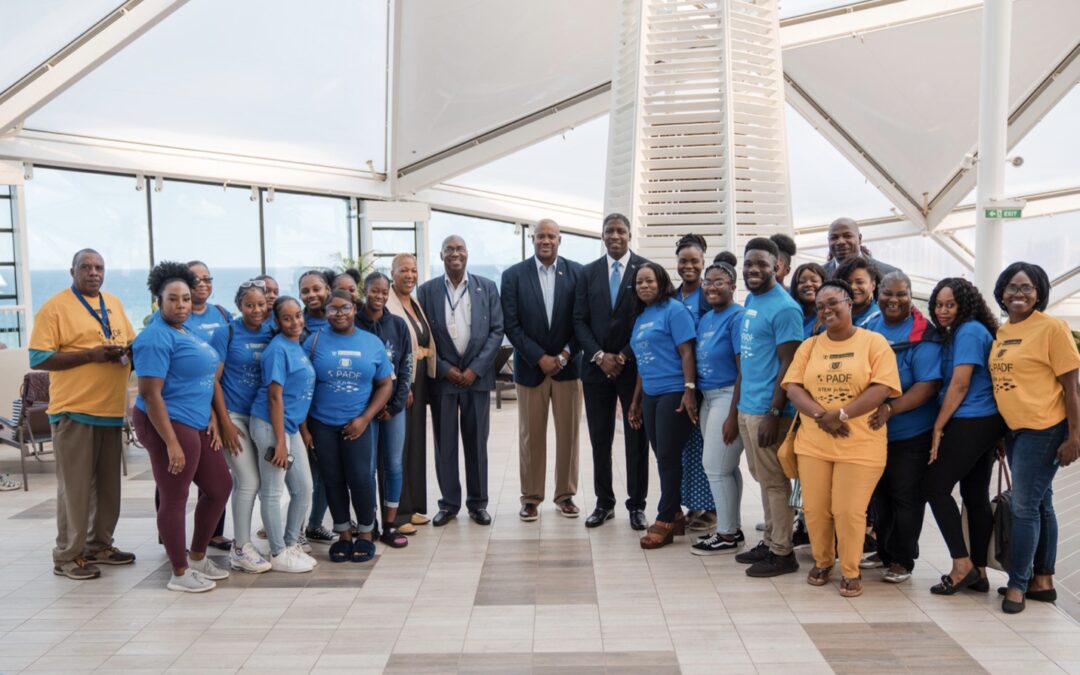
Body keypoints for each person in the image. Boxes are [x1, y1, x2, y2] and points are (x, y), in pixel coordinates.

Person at [782, 279, 901, 597]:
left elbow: (882, 388)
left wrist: (842, 415)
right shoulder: (810, 346)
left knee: (849, 510)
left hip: (861, 444)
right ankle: (822, 561)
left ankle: (850, 570)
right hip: (813, 443)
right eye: (820, 306)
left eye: (833, 302)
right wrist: (823, 417)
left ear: (850, 303)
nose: (826, 309)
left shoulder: (874, 343)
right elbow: (793, 386)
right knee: (816, 509)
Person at [29, 248, 136, 580]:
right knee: (74, 490)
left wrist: (125, 352)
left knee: (108, 488)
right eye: (86, 267)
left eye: (99, 267)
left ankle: (99, 545)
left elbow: (129, 341)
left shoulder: (114, 304)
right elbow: (38, 358)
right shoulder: (56, 307)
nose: (93, 272)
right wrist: (90, 356)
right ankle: (67, 555)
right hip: (74, 411)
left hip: (109, 409)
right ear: (72, 271)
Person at [131, 261, 232, 592]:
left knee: (219, 487)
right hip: (169, 422)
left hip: (196, 420)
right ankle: (179, 571)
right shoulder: (154, 337)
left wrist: (214, 418)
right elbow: (150, 393)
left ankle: (199, 555)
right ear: (158, 301)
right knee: (175, 497)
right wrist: (171, 443)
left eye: (186, 299)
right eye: (173, 299)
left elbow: (203, 380)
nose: (181, 305)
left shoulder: (182, 330)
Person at [990, 262, 1080, 614]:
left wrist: (1075, 436)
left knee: (1025, 506)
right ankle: (1043, 580)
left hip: (1044, 428)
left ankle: (1017, 584)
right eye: (1012, 287)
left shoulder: (1052, 329)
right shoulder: (1002, 333)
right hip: (1015, 430)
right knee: (1041, 503)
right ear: (1001, 293)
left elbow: (1072, 389)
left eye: (1026, 288)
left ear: (1039, 292)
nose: (1018, 294)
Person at [924, 277, 1005, 595]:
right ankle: (979, 572)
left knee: (935, 487)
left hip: (971, 419)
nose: (942, 311)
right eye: (938, 305)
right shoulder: (963, 330)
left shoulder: (969, 330)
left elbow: (960, 384)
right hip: (985, 421)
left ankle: (962, 565)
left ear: (965, 305)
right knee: (974, 495)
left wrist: (939, 425)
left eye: (950, 305)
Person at [417, 235, 504, 527]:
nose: (455, 254)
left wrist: (476, 369)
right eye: (450, 250)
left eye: (460, 249)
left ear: (467, 254)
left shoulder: (487, 287)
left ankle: (478, 504)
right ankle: (449, 504)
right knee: (446, 444)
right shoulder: (427, 291)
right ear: (441, 255)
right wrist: (442, 368)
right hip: (443, 379)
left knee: (477, 443)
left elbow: (496, 331)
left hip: (476, 379)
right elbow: (422, 334)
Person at [501, 219, 584, 521]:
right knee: (530, 437)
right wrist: (539, 358)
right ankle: (531, 498)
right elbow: (511, 324)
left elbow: (581, 321)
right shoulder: (513, 276)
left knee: (569, 436)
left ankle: (565, 495)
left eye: (551, 236)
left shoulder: (577, 273)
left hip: (568, 368)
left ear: (560, 239)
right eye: (539, 236)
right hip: (530, 370)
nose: (545, 241)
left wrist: (562, 355)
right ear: (532, 239)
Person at [573, 213, 651, 530]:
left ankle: (637, 505)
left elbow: (650, 320)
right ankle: (604, 503)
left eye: (620, 230)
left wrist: (623, 356)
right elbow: (578, 320)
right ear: (602, 237)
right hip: (595, 370)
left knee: (636, 438)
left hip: (632, 371)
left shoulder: (645, 270)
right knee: (600, 439)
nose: (615, 236)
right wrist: (599, 355)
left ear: (630, 235)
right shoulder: (587, 273)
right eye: (609, 231)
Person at [305, 290, 395, 562]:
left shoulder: (371, 342)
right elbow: (301, 384)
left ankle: (366, 533)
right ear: (326, 312)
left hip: (358, 423)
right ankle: (343, 534)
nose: (339, 313)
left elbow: (385, 383)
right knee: (332, 479)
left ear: (355, 309)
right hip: (322, 423)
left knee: (360, 479)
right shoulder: (313, 341)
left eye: (344, 308)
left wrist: (365, 418)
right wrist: (305, 428)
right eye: (333, 309)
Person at [865, 271, 942, 583]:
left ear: (911, 297)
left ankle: (902, 559)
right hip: (875, 433)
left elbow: (928, 385)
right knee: (879, 496)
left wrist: (891, 409)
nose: (893, 300)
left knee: (905, 497)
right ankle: (884, 552)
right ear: (877, 294)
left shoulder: (923, 333)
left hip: (910, 434)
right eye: (887, 294)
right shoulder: (869, 327)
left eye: (901, 294)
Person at [734, 237, 803, 577]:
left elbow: (788, 366)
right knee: (762, 478)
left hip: (768, 410)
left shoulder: (786, 308)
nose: (753, 270)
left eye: (761, 264)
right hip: (748, 406)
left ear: (777, 266)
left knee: (775, 481)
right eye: (748, 264)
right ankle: (772, 540)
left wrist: (775, 414)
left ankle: (782, 552)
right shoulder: (752, 298)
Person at [627, 262, 698, 549]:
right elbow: (643, 364)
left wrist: (689, 390)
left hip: (673, 392)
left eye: (650, 281)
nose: (644, 286)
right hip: (651, 395)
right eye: (640, 282)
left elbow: (686, 352)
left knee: (668, 457)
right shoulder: (641, 316)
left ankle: (665, 518)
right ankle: (677, 513)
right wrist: (635, 401)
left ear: (661, 282)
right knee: (662, 456)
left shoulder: (674, 310)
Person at [249, 296, 318, 573]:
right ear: (276, 322)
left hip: (290, 427)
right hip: (270, 426)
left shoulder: (297, 345)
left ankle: (291, 544)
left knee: (304, 489)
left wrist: (300, 431)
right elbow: (275, 397)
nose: (295, 322)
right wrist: (280, 442)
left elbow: (297, 394)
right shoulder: (277, 350)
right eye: (287, 318)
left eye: (298, 316)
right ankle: (277, 552)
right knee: (273, 491)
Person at [210, 280, 274, 574]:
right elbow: (213, 380)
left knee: (266, 483)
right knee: (247, 480)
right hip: (233, 416)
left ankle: (273, 540)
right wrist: (223, 422)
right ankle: (241, 546)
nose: (256, 310)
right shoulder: (227, 332)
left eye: (261, 304)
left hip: (262, 417)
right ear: (239, 306)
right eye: (250, 305)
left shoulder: (272, 331)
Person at [690, 262, 746, 555]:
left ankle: (724, 534)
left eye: (719, 282)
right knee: (726, 466)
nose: (711, 287)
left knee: (714, 466)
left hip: (728, 396)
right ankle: (732, 528)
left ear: (733, 286)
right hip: (708, 397)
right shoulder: (707, 318)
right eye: (707, 282)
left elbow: (743, 370)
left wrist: (734, 415)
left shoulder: (737, 317)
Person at [355, 273, 413, 547]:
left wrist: (395, 404)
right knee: (366, 469)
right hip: (364, 408)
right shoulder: (354, 324)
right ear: (364, 291)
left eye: (383, 292)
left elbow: (406, 369)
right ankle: (369, 523)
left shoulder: (398, 325)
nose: (378, 296)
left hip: (393, 408)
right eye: (373, 291)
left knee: (393, 464)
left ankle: (390, 524)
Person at [184, 260, 233, 551]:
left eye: (207, 278)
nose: (202, 284)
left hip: (213, 399)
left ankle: (214, 532)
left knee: (216, 473)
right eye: (195, 279)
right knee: (175, 475)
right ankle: (171, 533)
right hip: (182, 404)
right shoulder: (174, 315)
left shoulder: (223, 314)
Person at [386, 253, 436, 532]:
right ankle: (399, 512)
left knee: (416, 445)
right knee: (398, 449)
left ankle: (415, 506)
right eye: (403, 270)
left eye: (414, 270)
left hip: (419, 383)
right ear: (392, 273)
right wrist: (400, 387)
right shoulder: (391, 304)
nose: (410, 275)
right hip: (401, 385)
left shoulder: (414, 302)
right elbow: (392, 349)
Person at [672, 234, 715, 531]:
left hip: (704, 381)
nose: (689, 266)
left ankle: (711, 508)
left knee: (706, 447)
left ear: (703, 263)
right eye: (684, 261)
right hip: (678, 380)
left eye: (695, 261)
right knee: (686, 448)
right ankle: (694, 505)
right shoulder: (672, 297)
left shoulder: (710, 298)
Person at [297, 269, 336, 544]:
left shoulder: (340, 320)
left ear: (328, 290)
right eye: (306, 291)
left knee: (326, 471)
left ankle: (315, 524)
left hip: (333, 409)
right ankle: (294, 530)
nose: (312, 295)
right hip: (304, 411)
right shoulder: (297, 325)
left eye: (317, 289)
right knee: (302, 476)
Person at [822, 217, 899, 278]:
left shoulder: (889, 273)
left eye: (847, 236)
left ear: (859, 239)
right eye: (834, 237)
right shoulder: (818, 276)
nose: (840, 242)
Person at [835, 256, 882, 327]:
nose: (853, 287)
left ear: (873, 285)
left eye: (860, 282)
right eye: (848, 282)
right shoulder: (831, 316)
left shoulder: (878, 319)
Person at [790, 262, 826, 339]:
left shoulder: (828, 318)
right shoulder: (789, 315)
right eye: (802, 281)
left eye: (814, 280)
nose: (808, 284)